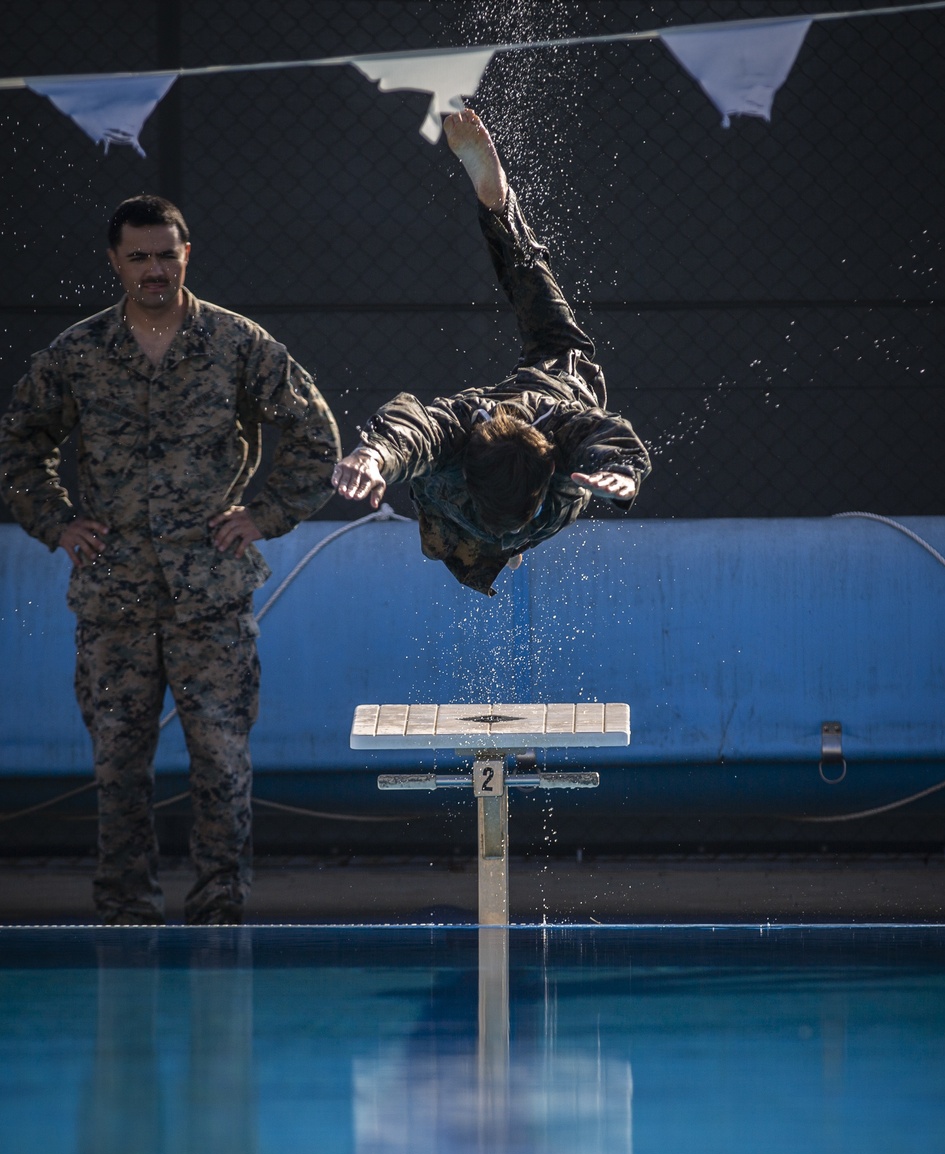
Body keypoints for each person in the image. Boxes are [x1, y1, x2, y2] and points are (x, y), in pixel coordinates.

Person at [0, 194, 341, 925]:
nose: (154, 270)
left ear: (187, 254)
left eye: (166, 254)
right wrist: (57, 523)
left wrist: (264, 515)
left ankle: (219, 908)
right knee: (118, 768)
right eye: (139, 257)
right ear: (115, 261)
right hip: (113, 598)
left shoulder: (239, 345)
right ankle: (126, 912)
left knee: (221, 763)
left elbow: (316, 440)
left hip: (210, 594)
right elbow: (17, 447)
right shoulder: (79, 353)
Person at [331, 110, 651, 596]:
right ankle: (497, 204)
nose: (507, 533)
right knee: (438, 493)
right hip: (546, 402)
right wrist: (375, 452)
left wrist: (620, 469)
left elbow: (610, 434)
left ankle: (496, 200)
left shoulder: (560, 444)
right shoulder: (469, 434)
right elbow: (412, 429)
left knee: (439, 494)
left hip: (539, 452)